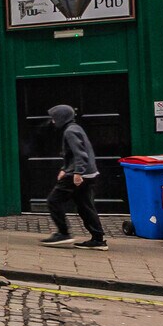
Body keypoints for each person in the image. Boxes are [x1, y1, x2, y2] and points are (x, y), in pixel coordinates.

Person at [41, 103, 108, 250]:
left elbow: (80, 154)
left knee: (53, 200)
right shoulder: (76, 128)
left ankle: (63, 233)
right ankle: (98, 239)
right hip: (88, 173)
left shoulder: (70, 131)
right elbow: (73, 154)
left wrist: (77, 173)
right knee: (85, 206)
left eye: (54, 118)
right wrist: (65, 169)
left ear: (61, 118)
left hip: (79, 174)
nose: (52, 121)